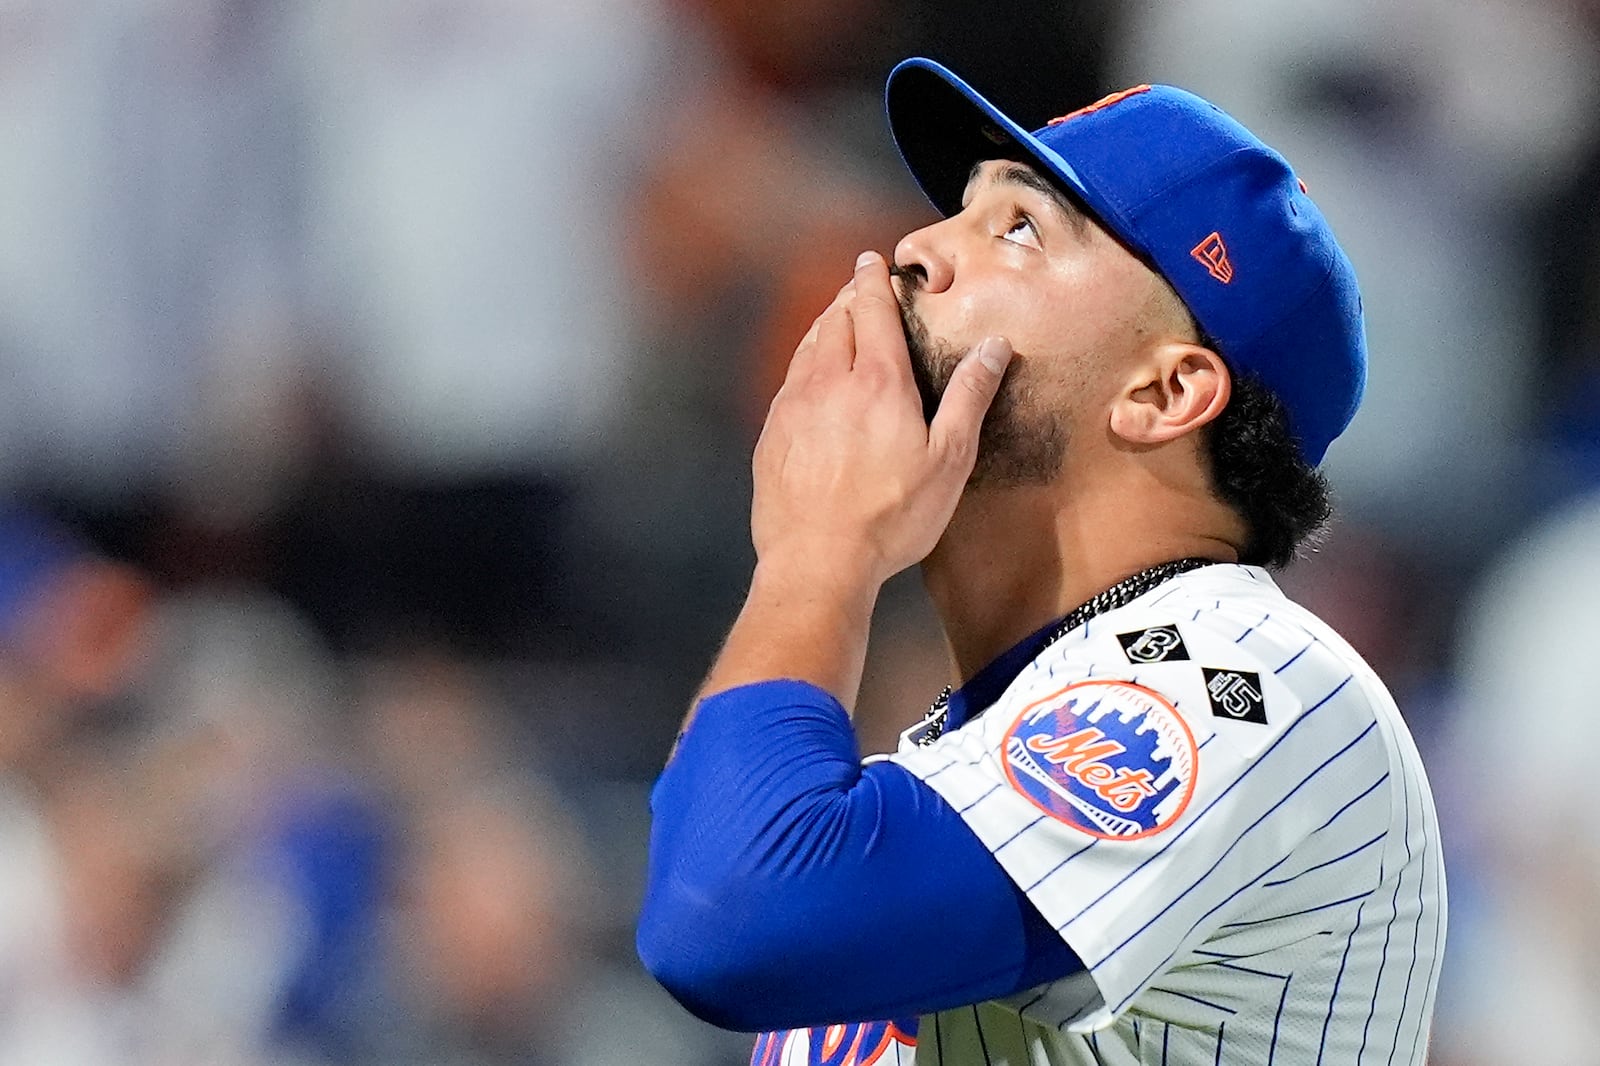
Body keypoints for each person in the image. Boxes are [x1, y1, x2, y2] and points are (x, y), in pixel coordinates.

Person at [636, 58, 1446, 1066]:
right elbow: (720, 888)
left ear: (1165, 391)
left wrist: (817, 552)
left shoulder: (1249, 677)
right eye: (956, 210)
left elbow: (725, 923)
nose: (917, 247)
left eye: (1018, 228)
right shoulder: (933, 773)